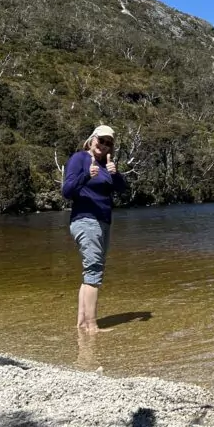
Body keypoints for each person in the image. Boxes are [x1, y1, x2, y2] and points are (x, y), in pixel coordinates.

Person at [62, 124, 128, 333]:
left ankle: (82, 324)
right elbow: (67, 191)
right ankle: (92, 326)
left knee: (91, 272)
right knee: (94, 272)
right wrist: (86, 176)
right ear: (92, 140)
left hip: (103, 222)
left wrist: (115, 175)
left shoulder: (106, 165)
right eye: (101, 140)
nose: (104, 145)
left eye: (109, 143)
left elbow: (124, 190)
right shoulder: (79, 159)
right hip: (85, 220)